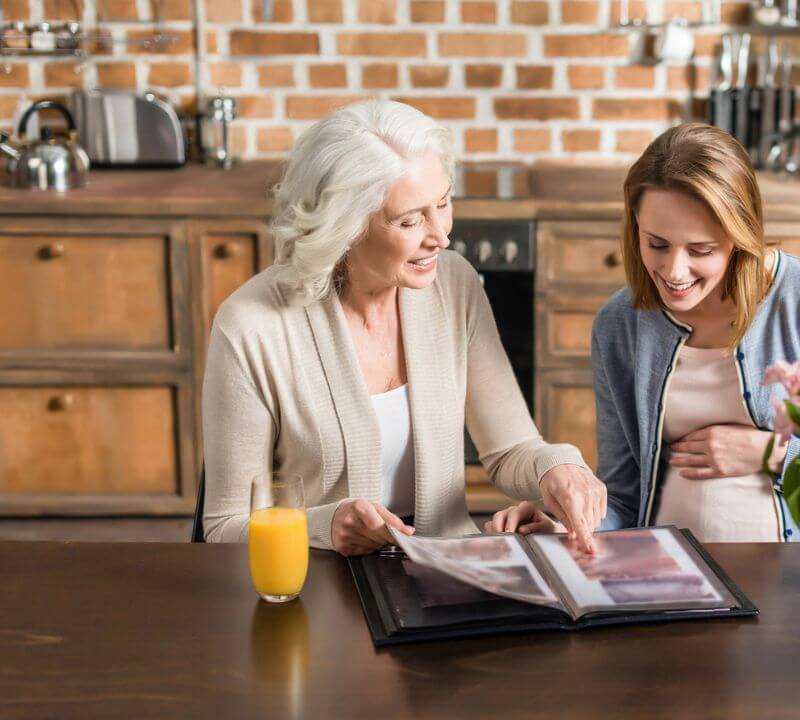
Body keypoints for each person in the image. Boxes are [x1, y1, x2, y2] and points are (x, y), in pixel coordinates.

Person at [202, 100, 607, 555]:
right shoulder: (252, 326)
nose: (441, 235)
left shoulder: (454, 284)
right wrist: (323, 526)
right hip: (321, 581)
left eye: (444, 202)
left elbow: (511, 449)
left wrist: (560, 468)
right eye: (410, 220)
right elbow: (224, 527)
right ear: (345, 226)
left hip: (451, 573)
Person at [488, 123, 800, 543]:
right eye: (657, 244)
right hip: (660, 578)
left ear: (739, 237)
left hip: (793, 582)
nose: (674, 272)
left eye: (700, 250)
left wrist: (775, 455)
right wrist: (563, 527)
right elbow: (623, 499)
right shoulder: (620, 324)